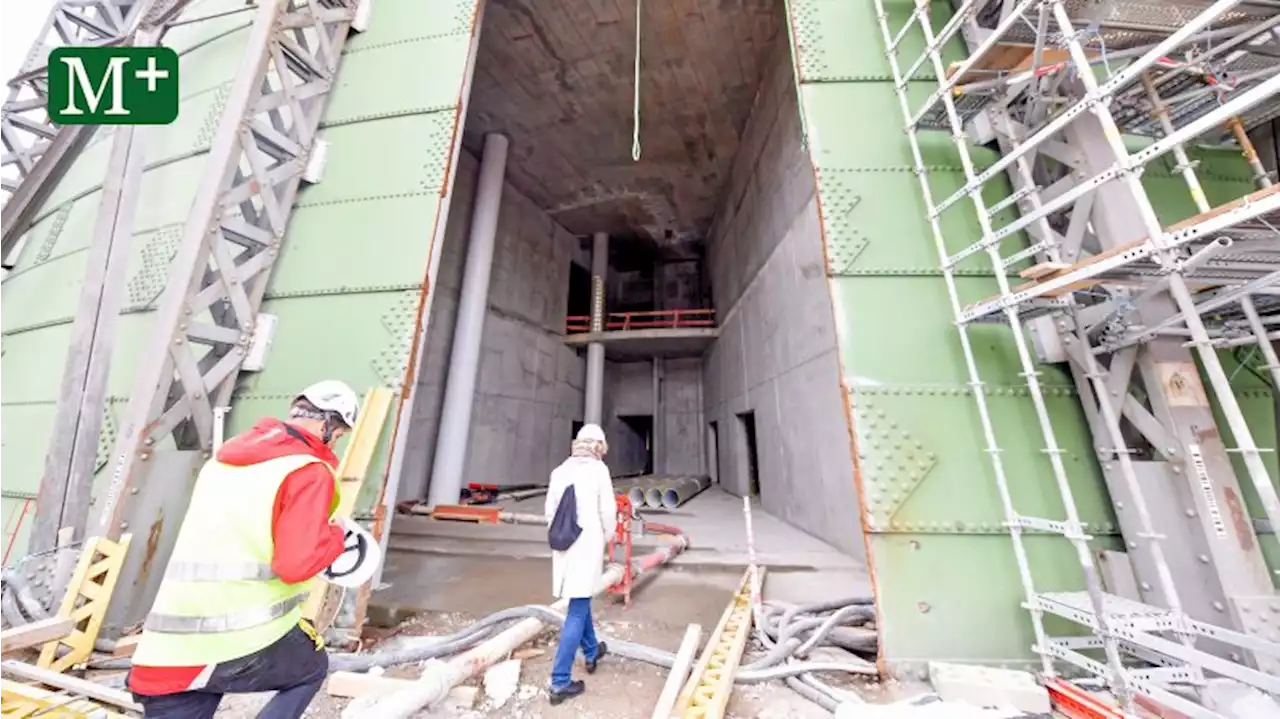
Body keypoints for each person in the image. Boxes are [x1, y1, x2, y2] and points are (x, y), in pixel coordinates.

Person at [126, 381, 361, 719]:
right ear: (326, 425)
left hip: (164, 650)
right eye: (338, 435)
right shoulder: (307, 472)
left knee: (202, 688)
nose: (336, 443)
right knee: (310, 667)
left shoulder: (223, 462)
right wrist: (335, 538)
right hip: (236, 640)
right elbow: (296, 564)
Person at [544, 423, 617, 705]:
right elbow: (607, 511)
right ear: (598, 446)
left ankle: (591, 650)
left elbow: (550, 512)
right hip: (587, 547)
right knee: (577, 609)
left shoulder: (559, 471)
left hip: (564, 546)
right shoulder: (599, 470)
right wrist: (607, 537)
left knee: (580, 597)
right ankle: (560, 681)